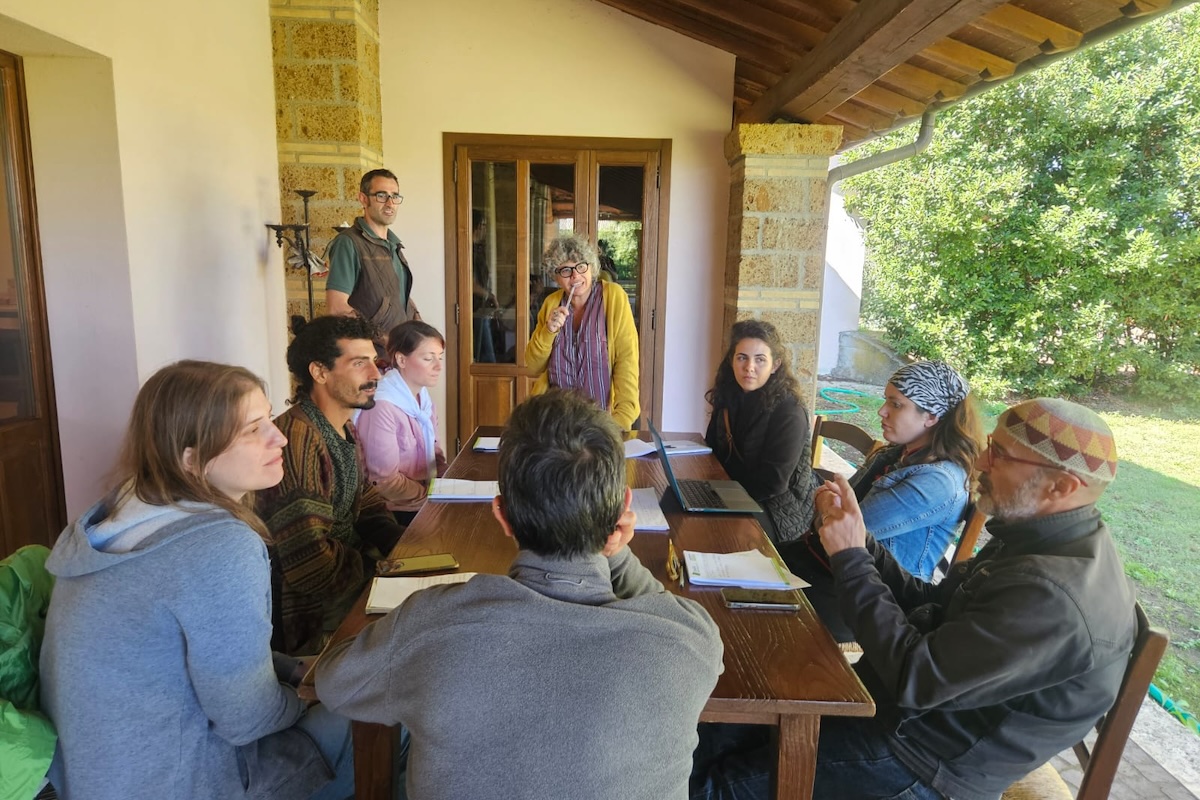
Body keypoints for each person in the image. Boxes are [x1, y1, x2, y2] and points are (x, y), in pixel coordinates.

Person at [691, 398, 1136, 800]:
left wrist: (848, 558)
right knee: (700, 733)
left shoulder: (1056, 595)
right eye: (989, 444)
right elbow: (931, 604)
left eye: (1000, 454)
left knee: (702, 786)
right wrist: (861, 542)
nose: (981, 460)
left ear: (1061, 487)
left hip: (922, 765)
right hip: (888, 715)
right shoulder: (1037, 538)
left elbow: (915, 677)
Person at [315, 390, 724, 800]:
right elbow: (666, 611)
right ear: (623, 511)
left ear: (501, 514)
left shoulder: (429, 624)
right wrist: (615, 556)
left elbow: (333, 683)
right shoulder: (688, 639)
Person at [40, 361, 354, 800]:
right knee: (376, 714)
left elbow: (184, 649)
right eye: (253, 429)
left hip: (97, 776)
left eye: (270, 417)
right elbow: (248, 719)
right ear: (191, 458)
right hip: (181, 782)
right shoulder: (218, 546)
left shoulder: (119, 512)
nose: (279, 435)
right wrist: (303, 696)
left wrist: (293, 669)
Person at [256, 315, 405, 656]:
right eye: (358, 363)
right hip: (315, 614)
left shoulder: (342, 427)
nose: (375, 374)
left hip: (351, 578)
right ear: (320, 372)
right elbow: (311, 567)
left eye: (374, 361)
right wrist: (378, 569)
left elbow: (363, 498)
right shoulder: (298, 441)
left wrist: (398, 544)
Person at [803, 361, 982, 585]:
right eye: (886, 400)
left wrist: (823, 499)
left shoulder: (938, 481)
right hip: (838, 572)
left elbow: (842, 531)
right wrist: (828, 504)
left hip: (876, 594)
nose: (882, 411)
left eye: (896, 404)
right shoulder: (896, 453)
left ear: (931, 417)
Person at [704, 319, 818, 544]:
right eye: (742, 358)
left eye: (760, 360)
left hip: (781, 507)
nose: (749, 367)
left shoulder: (789, 411)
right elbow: (712, 449)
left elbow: (773, 483)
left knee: (717, 531)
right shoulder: (729, 394)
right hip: (736, 491)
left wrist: (721, 497)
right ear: (731, 361)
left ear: (775, 365)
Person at [525, 234, 640, 430]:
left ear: (592, 267)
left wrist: (620, 422)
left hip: (602, 421)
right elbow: (533, 366)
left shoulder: (613, 297)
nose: (575, 276)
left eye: (581, 266)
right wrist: (548, 331)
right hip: (555, 421)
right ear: (556, 276)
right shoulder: (551, 304)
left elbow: (626, 362)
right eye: (566, 270)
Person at [356, 320, 448, 526]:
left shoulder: (423, 399)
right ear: (401, 359)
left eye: (440, 358)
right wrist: (431, 497)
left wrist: (450, 484)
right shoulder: (381, 405)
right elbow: (384, 482)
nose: (438, 366)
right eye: (428, 358)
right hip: (393, 510)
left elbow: (436, 456)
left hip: (423, 497)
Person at [324, 168, 420, 350]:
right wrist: (385, 339)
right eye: (381, 196)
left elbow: (397, 296)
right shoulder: (348, 243)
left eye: (395, 196)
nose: (390, 203)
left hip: (397, 356)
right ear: (363, 198)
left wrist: (421, 332)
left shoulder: (393, 244)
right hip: (369, 358)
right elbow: (336, 308)